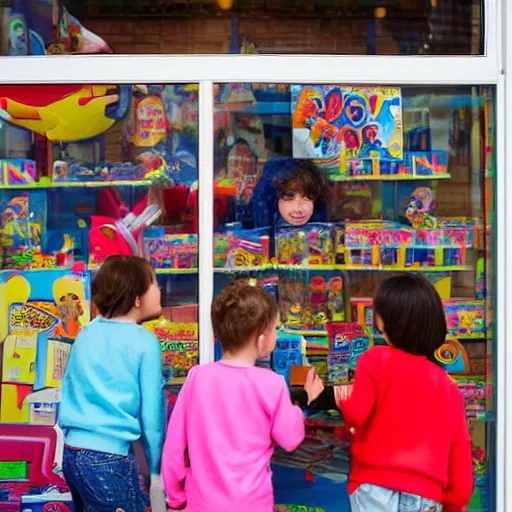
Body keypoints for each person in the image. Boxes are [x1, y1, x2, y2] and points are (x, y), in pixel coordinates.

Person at [302, 274, 474, 512]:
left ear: (384, 321)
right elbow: (460, 453)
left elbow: (357, 414)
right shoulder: (448, 386)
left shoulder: (374, 360)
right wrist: (454, 504)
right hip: (426, 495)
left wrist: (326, 396)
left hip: (375, 485)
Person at [161, 280, 305, 512]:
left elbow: (175, 447)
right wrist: (299, 408)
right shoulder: (272, 383)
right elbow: (290, 439)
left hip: (201, 504)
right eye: (275, 328)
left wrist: (176, 499)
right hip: (251, 505)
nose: (277, 334)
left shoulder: (197, 377)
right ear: (261, 340)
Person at [59, 255, 166, 512]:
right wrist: (156, 472)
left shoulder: (86, 332)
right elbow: (152, 420)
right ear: (137, 297)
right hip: (108, 460)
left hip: (72, 455)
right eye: (155, 283)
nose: (160, 290)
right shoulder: (145, 342)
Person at [250, 157, 330, 228]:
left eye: (307, 197)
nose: (298, 208)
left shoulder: (323, 233)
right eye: (289, 197)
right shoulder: (253, 238)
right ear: (272, 199)